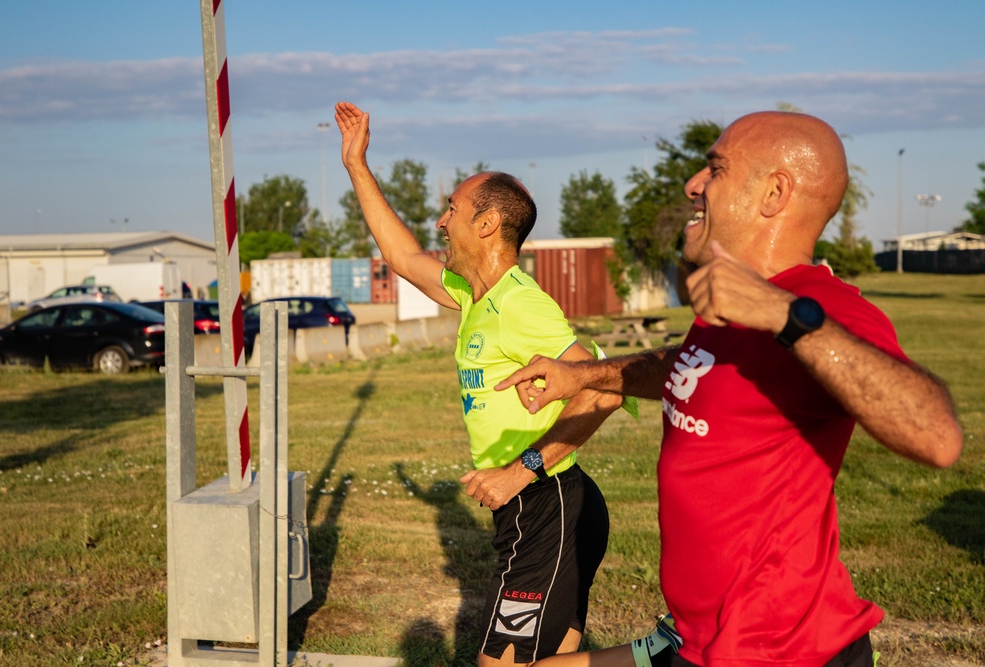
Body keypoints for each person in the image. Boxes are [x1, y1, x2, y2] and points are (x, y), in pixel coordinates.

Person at [495, 111, 963, 667]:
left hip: (784, 652)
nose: (694, 183)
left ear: (774, 193)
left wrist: (784, 314)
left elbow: (937, 435)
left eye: (715, 168)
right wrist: (583, 375)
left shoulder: (819, 308)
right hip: (699, 640)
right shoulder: (730, 304)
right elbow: (686, 368)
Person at [335, 101, 626, 667]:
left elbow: (604, 390)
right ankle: (657, 654)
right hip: (552, 501)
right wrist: (356, 164)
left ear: (487, 224)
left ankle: (661, 656)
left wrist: (520, 472)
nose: (442, 221)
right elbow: (399, 255)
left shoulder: (522, 307)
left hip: (543, 502)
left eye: (452, 210)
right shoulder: (474, 295)